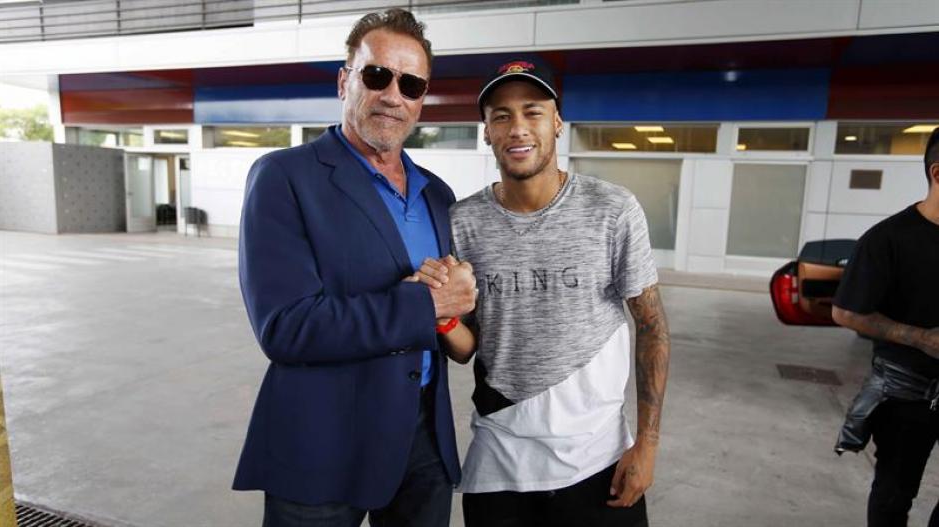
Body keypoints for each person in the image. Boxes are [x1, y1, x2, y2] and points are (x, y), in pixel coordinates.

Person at [232, 9, 477, 527]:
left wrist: (450, 312)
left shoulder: (438, 195)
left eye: (410, 84)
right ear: (345, 81)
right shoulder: (284, 178)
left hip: (422, 441)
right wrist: (424, 303)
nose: (393, 95)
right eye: (376, 75)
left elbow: (448, 317)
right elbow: (286, 328)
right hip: (323, 443)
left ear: (421, 100)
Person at [412, 57, 670, 527]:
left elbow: (651, 325)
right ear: (486, 131)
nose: (517, 128)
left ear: (556, 122)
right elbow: (469, 347)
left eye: (532, 111)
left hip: (598, 461)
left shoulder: (612, 210)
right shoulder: (462, 223)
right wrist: (443, 317)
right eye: (501, 116)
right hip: (500, 463)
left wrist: (647, 445)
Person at [832, 127, 939, 527]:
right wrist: (921, 338)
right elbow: (845, 312)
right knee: (894, 496)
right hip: (905, 394)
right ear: (937, 173)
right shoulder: (888, 240)